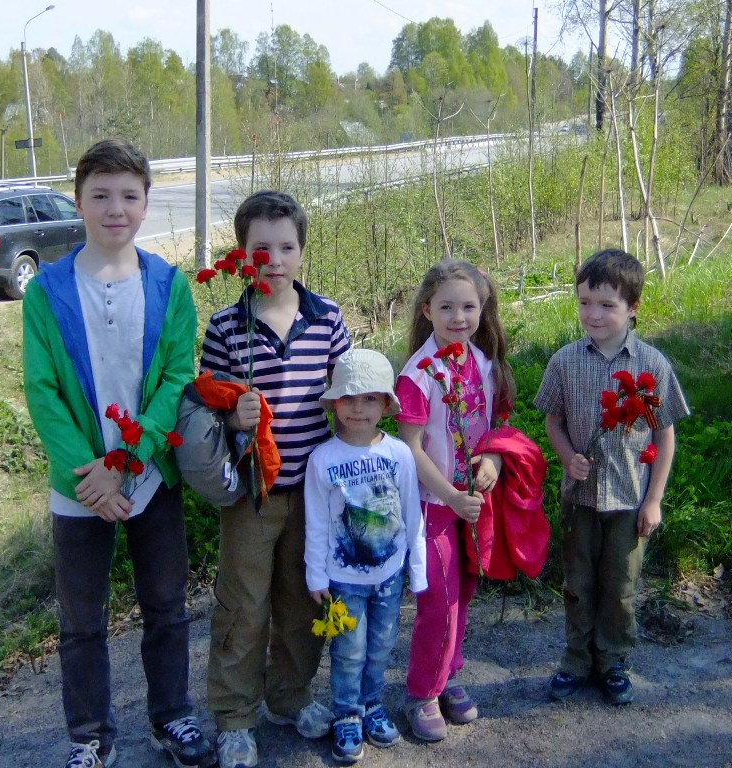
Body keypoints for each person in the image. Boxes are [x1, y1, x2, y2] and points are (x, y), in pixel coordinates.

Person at [23, 138, 215, 768]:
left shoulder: (170, 286)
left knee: (166, 607)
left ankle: (172, 717)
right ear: (78, 202)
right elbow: (42, 390)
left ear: (146, 203)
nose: (115, 208)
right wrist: (91, 473)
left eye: (129, 196)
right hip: (79, 483)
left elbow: (175, 379)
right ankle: (89, 737)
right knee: (82, 620)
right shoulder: (46, 292)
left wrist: (125, 464)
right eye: (100, 195)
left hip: (150, 476)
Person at [199, 190, 352, 768]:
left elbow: (346, 395)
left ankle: (290, 696)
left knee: (302, 599)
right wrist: (232, 418)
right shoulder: (225, 326)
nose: (275, 260)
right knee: (243, 605)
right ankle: (235, 716)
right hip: (252, 493)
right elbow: (207, 409)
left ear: (302, 252)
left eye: (287, 247)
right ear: (242, 254)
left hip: (314, 493)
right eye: (261, 249)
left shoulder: (327, 318)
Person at [533, 248, 689, 706]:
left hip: (629, 499)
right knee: (578, 585)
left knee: (620, 587)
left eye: (606, 304)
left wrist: (653, 499)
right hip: (579, 498)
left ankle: (613, 660)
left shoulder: (651, 365)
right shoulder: (565, 361)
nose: (593, 314)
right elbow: (553, 421)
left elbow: (664, 434)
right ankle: (576, 660)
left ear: (633, 307)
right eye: (584, 302)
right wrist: (567, 457)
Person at [395, 259, 516, 742]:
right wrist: (449, 495)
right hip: (435, 504)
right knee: (438, 600)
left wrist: (495, 462)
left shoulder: (483, 364)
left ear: (482, 309)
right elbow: (411, 447)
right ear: (427, 310)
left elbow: (496, 429)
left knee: (463, 592)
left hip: (473, 503)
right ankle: (421, 692)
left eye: (468, 307)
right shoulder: (419, 374)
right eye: (446, 307)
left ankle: (447, 675)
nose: (458, 317)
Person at [304, 348, 428, 764]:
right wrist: (315, 575)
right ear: (335, 403)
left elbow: (411, 515)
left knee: (380, 646)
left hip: (389, 575)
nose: (358, 409)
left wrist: (417, 570)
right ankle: (346, 713)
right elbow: (316, 522)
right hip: (344, 580)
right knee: (348, 650)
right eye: (348, 398)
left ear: (386, 405)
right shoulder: (323, 459)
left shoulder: (399, 454)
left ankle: (372, 704)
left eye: (370, 399)